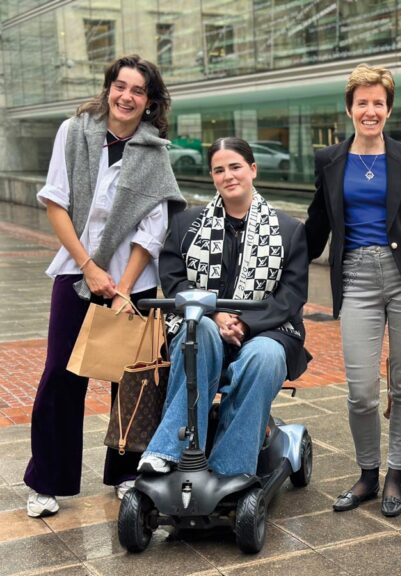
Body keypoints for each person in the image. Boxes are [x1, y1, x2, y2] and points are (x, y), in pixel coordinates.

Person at [24, 55, 186, 518]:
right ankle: (47, 481)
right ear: (108, 88)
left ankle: (126, 473)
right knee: (60, 374)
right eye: (121, 86)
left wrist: (122, 289)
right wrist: (89, 269)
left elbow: (152, 231)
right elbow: (56, 202)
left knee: (131, 380)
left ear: (150, 102)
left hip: (134, 282)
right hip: (77, 273)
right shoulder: (73, 132)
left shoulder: (155, 151)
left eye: (138, 91)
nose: (127, 96)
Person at [304, 64, 401, 517]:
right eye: (362, 102)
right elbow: (317, 223)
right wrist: (282, 262)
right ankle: (367, 474)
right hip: (357, 277)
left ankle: (395, 476)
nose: (370, 110)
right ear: (349, 109)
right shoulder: (330, 161)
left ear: (388, 108)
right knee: (361, 389)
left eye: (378, 103)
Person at [138, 137, 309, 477]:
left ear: (253, 170)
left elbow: (290, 296)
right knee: (196, 331)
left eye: (235, 167)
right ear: (212, 176)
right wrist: (214, 314)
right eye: (219, 170)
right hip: (202, 327)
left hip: (268, 332)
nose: (228, 176)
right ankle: (169, 449)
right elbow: (174, 282)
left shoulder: (288, 231)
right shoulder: (186, 225)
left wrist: (244, 324)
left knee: (264, 356)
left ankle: (230, 469)